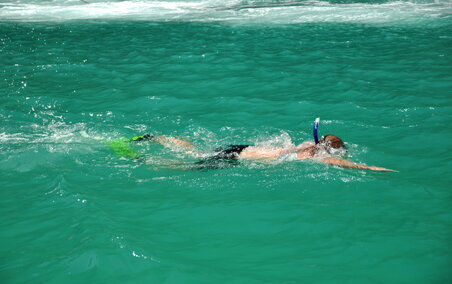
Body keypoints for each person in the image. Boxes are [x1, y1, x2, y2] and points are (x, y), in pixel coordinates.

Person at [115, 132, 397, 172]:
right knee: (184, 167)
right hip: (236, 159)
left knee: (196, 151)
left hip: (242, 148)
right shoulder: (313, 154)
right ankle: (141, 160)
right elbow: (343, 164)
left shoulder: (302, 146)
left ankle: (155, 137)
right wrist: (372, 168)